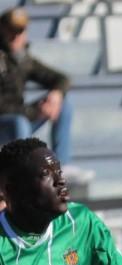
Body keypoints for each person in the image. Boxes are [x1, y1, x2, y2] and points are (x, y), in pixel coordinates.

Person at [0, 9, 73, 168]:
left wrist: (56, 94)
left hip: (21, 116)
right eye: (11, 30)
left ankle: (63, 166)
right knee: (19, 123)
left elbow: (62, 78)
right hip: (7, 123)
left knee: (63, 105)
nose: (15, 36)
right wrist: (34, 112)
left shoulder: (23, 59)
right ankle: (24, 171)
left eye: (19, 31)